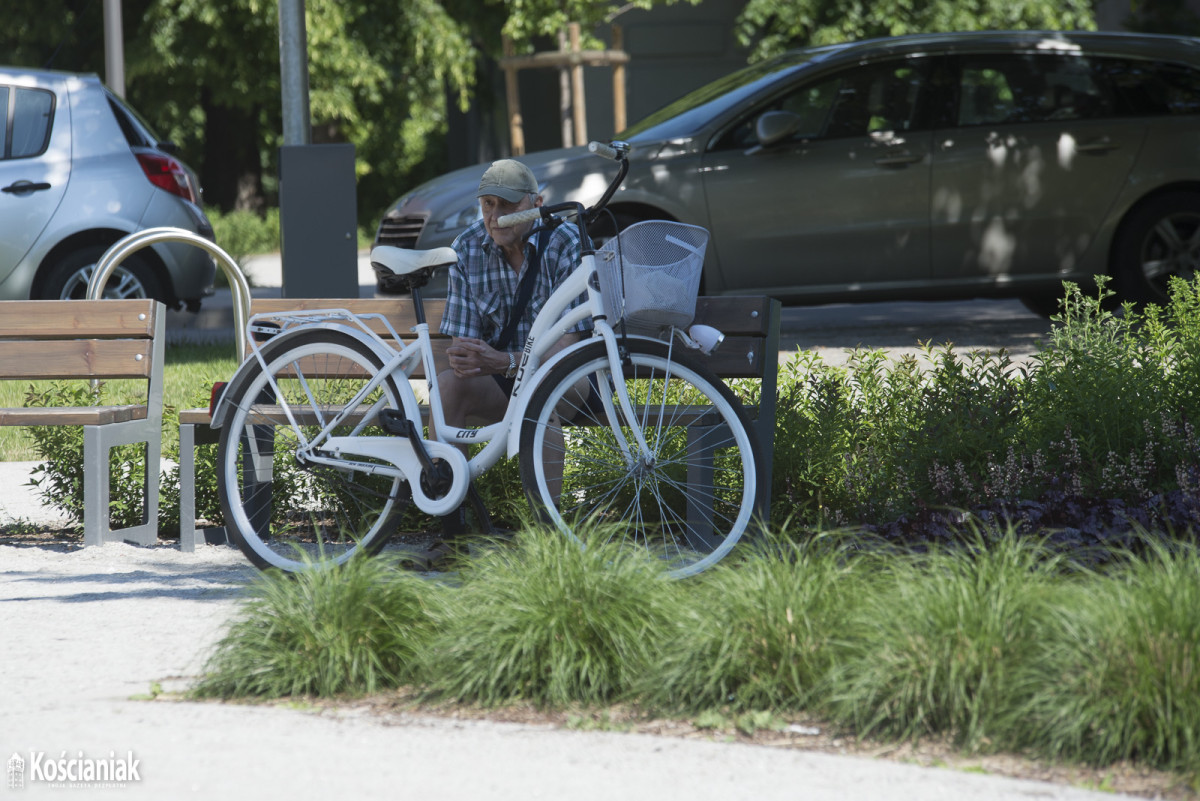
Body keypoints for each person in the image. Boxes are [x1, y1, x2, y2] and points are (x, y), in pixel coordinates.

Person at [436, 158, 588, 431]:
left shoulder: (567, 242)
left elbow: (568, 350)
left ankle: (539, 477)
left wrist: (505, 361)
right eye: (488, 204)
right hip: (500, 380)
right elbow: (466, 353)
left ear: (537, 204)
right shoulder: (467, 247)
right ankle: (445, 474)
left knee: (539, 389)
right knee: (447, 387)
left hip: (567, 377)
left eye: (508, 205)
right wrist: (468, 359)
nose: (495, 217)